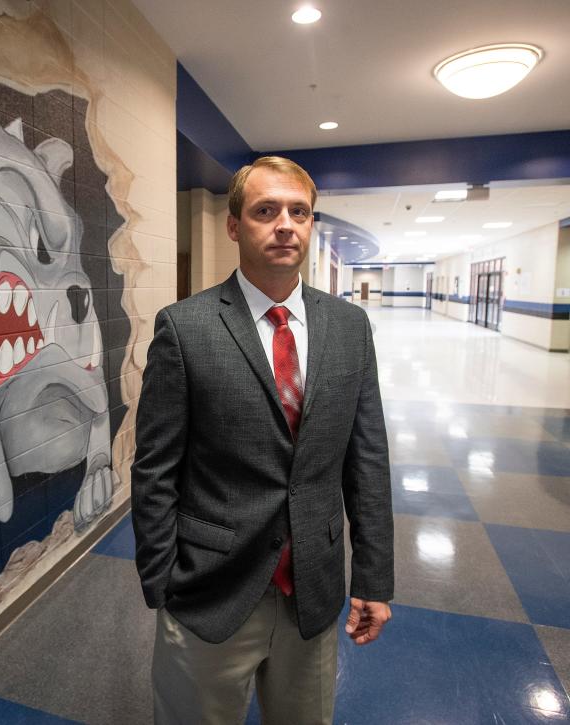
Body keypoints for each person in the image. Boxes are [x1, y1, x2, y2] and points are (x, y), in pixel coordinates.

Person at [131, 156, 394, 724]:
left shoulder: (350, 329)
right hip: (210, 593)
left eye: (299, 212)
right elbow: (155, 469)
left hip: (313, 593)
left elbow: (367, 460)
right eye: (266, 210)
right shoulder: (185, 328)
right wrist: (162, 583)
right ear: (234, 226)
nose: (285, 224)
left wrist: (373, 576)